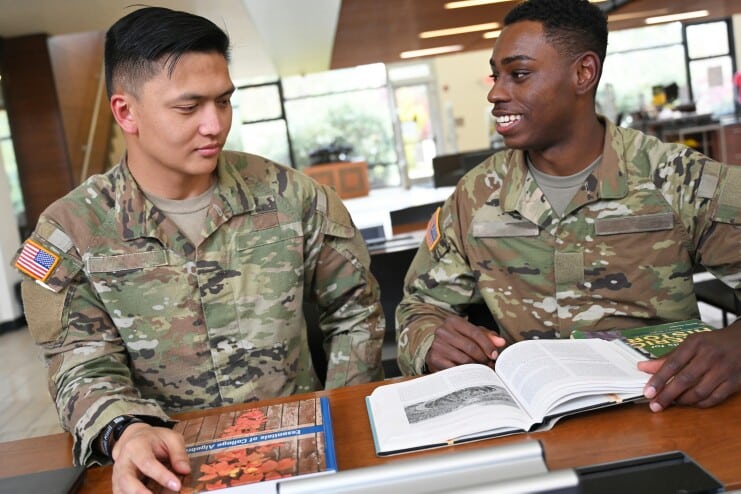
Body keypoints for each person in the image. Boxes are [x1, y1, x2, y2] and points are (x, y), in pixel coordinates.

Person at [12, 6, 384, 493]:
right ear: (125, 112)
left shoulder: (292, 198)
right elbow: (78, 362)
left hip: (303, 456)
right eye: (189, 108)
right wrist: (127, 430)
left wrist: (343, 416)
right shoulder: (71, 231)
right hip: (169, 468)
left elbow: (355, 310)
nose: (215, 125)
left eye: (224, 101)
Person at [397, 0, 740, 413]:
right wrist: (429, 337)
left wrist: (737, 345)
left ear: (583, 73)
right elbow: (418, 308)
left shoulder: (677, 178)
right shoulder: (475, 195)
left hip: (664, 411)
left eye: (519, 74)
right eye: (496, 75)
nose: (495, 92)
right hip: (537, 424)